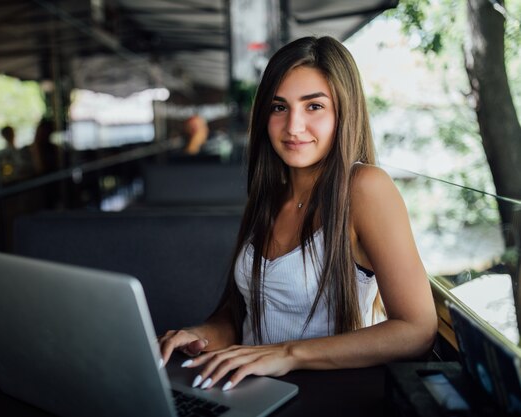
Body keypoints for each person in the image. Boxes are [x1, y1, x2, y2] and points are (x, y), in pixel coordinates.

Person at [159, 36, 437, 391]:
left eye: (314, 107)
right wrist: (200, 336)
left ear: (344, 112)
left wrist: (288, 354)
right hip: (247, 392)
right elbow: (241, 311)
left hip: (329, 399)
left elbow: (417, 329)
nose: (292, 126)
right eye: (279, 107)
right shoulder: (272, 191)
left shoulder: (365, 188)